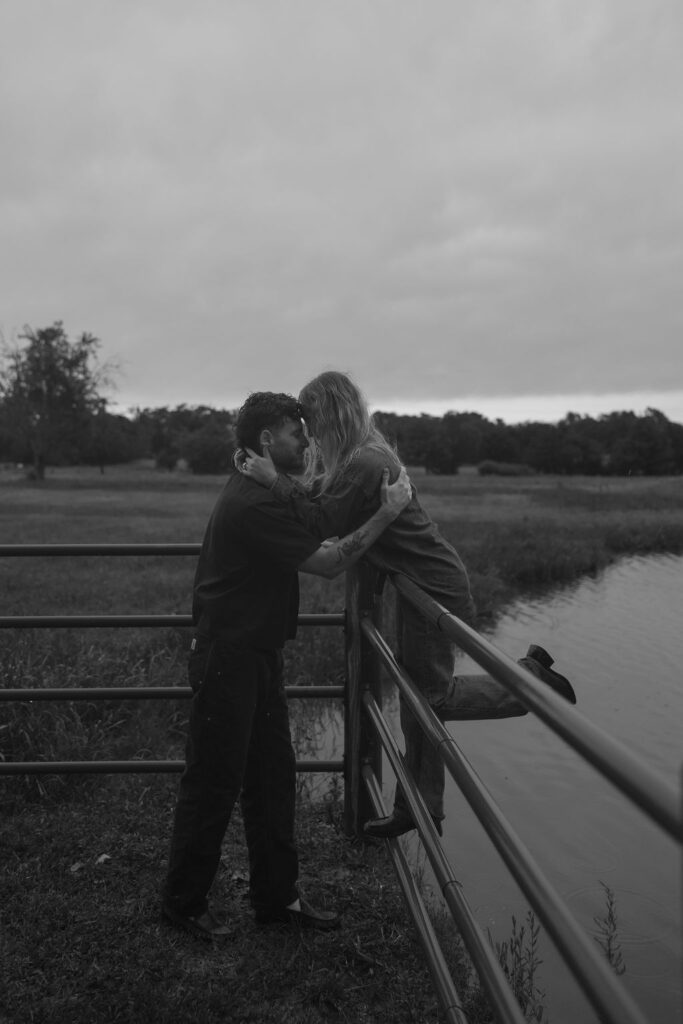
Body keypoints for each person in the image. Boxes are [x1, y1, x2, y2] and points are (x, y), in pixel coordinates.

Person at [239, 371, 576, 841]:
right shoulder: (361, 454)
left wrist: (275, 482)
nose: (310, 432)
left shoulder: (366, 461)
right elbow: (322, 499)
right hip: (421, 584)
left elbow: (320, 522)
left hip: (431, 587)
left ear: (331, 413)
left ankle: (531, 685)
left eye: (311, 419)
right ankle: (421, 806)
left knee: (429, 699)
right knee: (419, 701)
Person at [161, 391, 412, 939]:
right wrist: (388, 512)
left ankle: (277, 899)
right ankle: (182, 905)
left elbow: (311, 511)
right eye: (297, 431)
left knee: (272, 780)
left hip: (256, 655)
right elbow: (326, 561)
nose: (308, 438)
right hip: (229, 657)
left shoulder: (262, 488)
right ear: (269, 441)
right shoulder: (254, 503)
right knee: (213, 782)